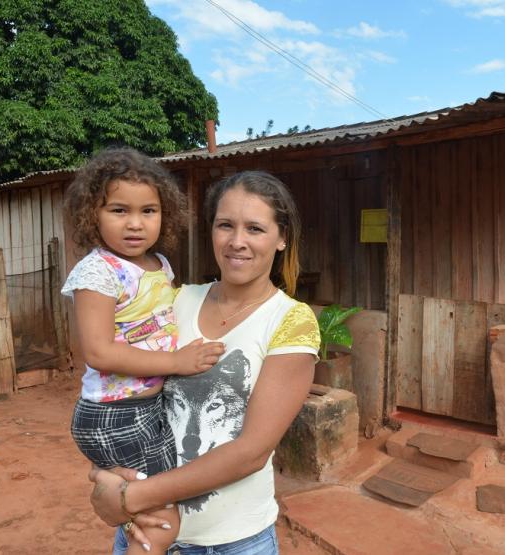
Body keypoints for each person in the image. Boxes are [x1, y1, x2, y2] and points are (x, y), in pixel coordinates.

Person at [89, 171, 320, 554]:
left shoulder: (290, 321)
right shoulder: (174, 300)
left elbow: (252, 452)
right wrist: (105, 469)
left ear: (282, 238)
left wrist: (132, 496)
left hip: (234, 543)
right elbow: (120, 387)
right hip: (146, 530)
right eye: (225, 225)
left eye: (255, 229)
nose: (237, 242)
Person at [62, 147, 225, 554]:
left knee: (140, 491)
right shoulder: (97, 270)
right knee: (163, 514)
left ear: (164, 215)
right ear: (91, 215)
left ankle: (109, 477)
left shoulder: (160, 265)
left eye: (148, 211)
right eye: (119, 210)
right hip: (116, 414)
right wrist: (175, 362)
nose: (135, 224)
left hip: (144, 410)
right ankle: (112, 480)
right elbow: (98, 352)